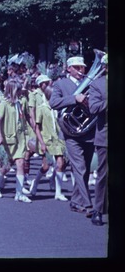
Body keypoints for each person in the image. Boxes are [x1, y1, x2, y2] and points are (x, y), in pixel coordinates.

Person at [49, 56, 96, 216]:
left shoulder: (91, 83)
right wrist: (74, 99)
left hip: (88, 131)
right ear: (68, 69)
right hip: (71, 133)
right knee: (80, 168)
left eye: (82, 67)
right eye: (76, 67)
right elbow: (53, 103)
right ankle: (88, 204)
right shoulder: (61, 84)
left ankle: (76, 201)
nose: (80, 71)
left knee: (85, 169)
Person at [86, 54, 107, 226]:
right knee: (103, 175)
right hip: (106, 136)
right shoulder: (97, 84)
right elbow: (93, 108)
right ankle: (98, 210)